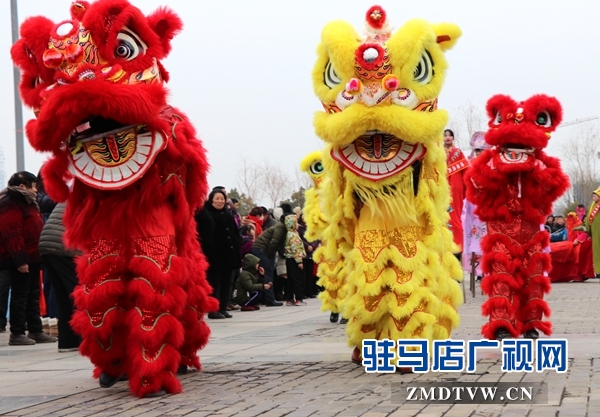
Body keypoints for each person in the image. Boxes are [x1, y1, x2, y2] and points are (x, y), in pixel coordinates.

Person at [0, 172, 57, 345]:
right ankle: (17, 333)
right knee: (20, 295)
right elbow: (12, 233)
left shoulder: (28, 202)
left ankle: (36, 330)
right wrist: (21, 260)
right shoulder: (9, 203)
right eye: (32, 185)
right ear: (22, 185)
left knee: (33, 295)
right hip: (19, 259)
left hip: (33, 258)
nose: (35, 189)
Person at [38, 202, 82, 351]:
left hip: (48, 244)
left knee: (63, 295)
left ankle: (68, 342)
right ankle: (84, 339)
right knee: (78, 293)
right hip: (64, 246)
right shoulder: (91, 195)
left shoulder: (72, 195)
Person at [196, 189, 242, 319]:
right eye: (217, 199)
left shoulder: (227, 214)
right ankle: (213, 309)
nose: (220, 201)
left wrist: (237, 244)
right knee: (214, 283)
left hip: (228, 255)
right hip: (214, 255)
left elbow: (235, 233)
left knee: (227, 282)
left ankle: (223, 308)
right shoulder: (205, 213)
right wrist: (210, 248)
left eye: (222, 199)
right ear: (211, 200)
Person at [250, 203, 294, 307]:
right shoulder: (280, 227)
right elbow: (274, 242)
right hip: (261, 249)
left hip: (264, 250)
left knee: (267, 273)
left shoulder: (283, 227)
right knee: (268, 273)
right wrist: (270, 255)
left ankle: (267, 298)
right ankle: (270, 299)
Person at [462, 131, 491, 281]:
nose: (480, 153)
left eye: (483, 150)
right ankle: (478, 270)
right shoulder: (469, 165)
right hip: (473, 205)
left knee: (489, 235)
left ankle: (489, 268)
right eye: (478, 150)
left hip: (489, 203)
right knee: (475, 237)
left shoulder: (493, 165)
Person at [444, 129, 468, 261]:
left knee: (455, 217)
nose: (447, 138)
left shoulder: (458, 152)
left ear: (453, 138)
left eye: (450, 135)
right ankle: (445, 247)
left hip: (456, 189)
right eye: (445, 135)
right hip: (442, 189)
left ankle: (457, 249)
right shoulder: (438, 152)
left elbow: (466, 172)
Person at [282, 215, 307, 306]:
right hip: (295, 259)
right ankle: (298, 298)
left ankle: (289, 298)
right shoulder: (293, 235)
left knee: (291, 280)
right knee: (297, 279)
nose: (298, 225)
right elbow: (295, 249)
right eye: (296, 223)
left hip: (290, 259)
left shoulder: (290, 233)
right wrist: (299, 261)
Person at [585, 187, 600, 278]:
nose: (593, 197)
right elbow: (588, 218)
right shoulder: (593, 205)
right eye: (593, 196)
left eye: (595, 195)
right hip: (595, 232)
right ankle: (598, 271)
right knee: (597, 251)